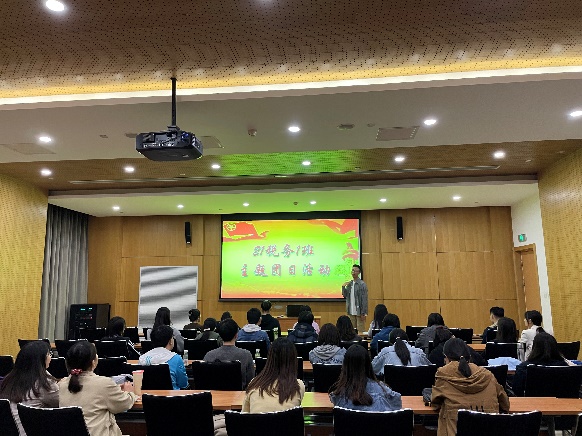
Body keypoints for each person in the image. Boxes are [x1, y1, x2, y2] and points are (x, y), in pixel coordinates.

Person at [431, 338, 509, 436]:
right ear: (470, 356)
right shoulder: (488, 375)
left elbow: (435, 404)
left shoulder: (443, 375)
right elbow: (505, 405)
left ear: (446, 358)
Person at [59, 341, 137, 436]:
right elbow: (124, 404)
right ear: (93, 362)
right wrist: (130, 392)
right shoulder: (104, 384)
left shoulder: (62, 385)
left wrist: (114, 389)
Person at [0, 341, 59, 434]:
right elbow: (61, 402)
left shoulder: (9, 379)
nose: (50, 357)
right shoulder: (44, 383)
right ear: (41, 360)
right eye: (49, 354)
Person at [330, 343, 402, 411]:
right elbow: (397, 404)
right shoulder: (383, 390)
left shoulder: (338, 396)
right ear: (368, 365)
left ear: (345, 367)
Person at [242, 338, 305, 413]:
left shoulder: (254, 383)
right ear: (293, 360)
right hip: (286, 420)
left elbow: (244, 415)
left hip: (258, 420)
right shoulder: (298, 385)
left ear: (269, 358)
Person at [512, 332, 569, 396]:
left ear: (534, 348)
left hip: (532, 401)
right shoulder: (564, 366)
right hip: (561, 401)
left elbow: (516, 390)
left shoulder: (524, 367)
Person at [203, 318, 255, 389]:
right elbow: (251, 383)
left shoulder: (209, 355)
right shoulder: (246, 355)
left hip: (214, 395)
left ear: (220, 335)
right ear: (236, 335)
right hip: (239, 395)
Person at [138, 325, 188, 390]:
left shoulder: (142, 358)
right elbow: (183, 384)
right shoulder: (176, 358)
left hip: (147, 395)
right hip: (172, 395)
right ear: (170, 341)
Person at [341, 264, 368, 334]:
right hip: (351, 311)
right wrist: (343, 287)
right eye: (352, 270)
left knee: (360, 332)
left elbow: (364, 299)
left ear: (359, 272)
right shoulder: (350, 284)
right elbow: (345, 295)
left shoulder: (362, 284)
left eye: (355, 271)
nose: (353, 272)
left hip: (359, 312)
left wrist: (363, 313)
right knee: (351, 332)